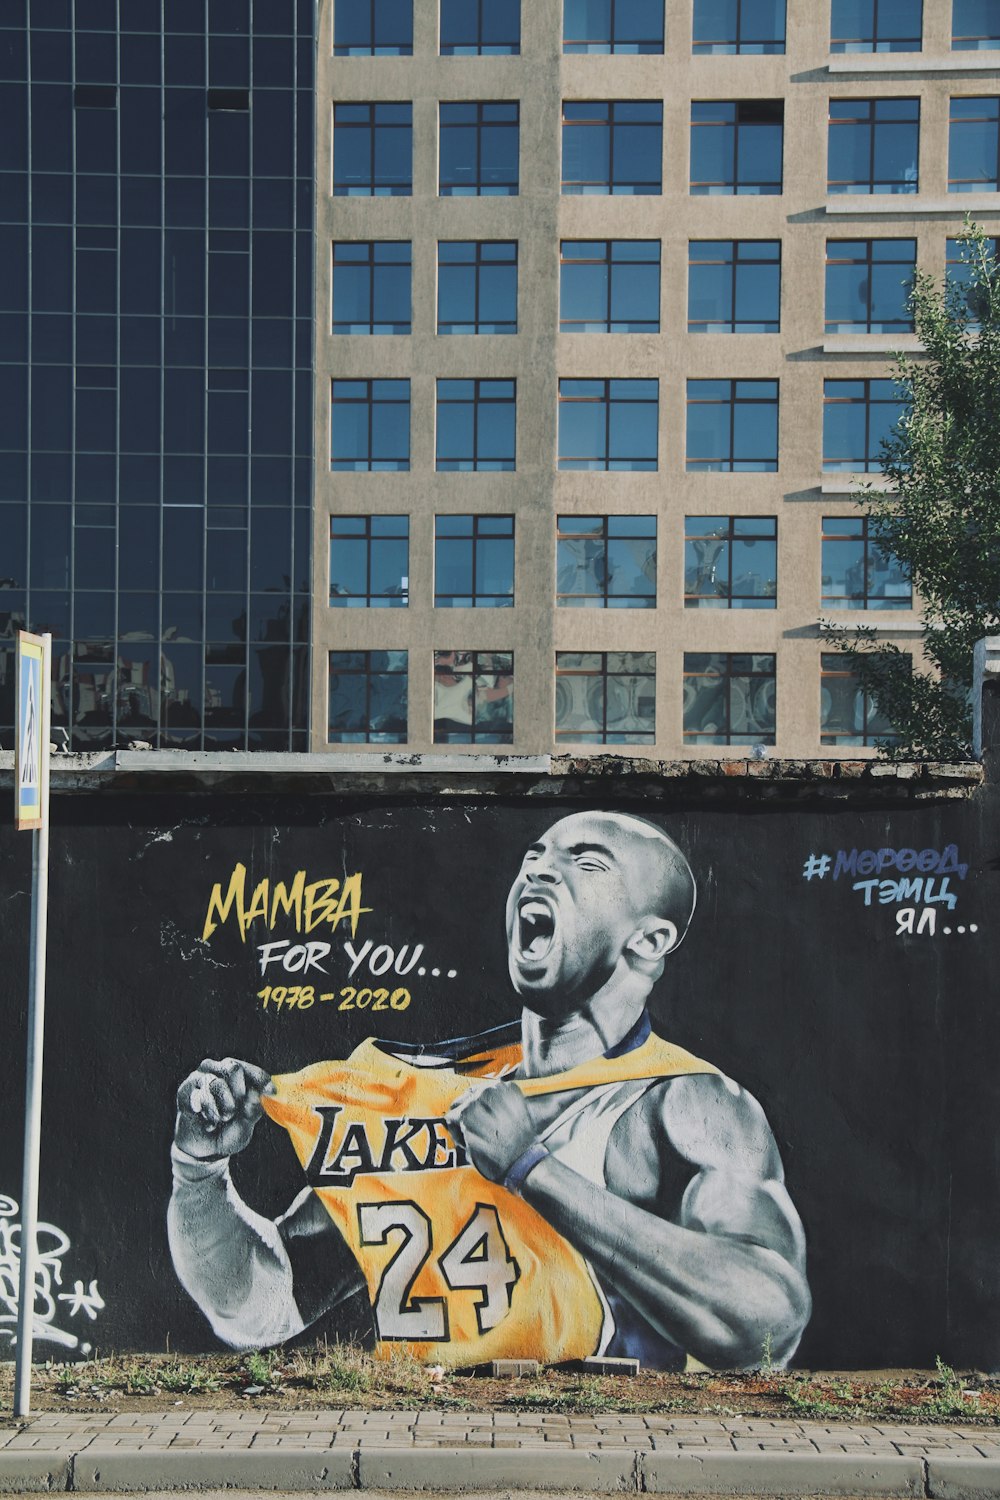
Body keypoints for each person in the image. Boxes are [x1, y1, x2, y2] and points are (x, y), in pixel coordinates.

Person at [168, 811, 810, 1369]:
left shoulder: (685, 1100)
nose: (540, 874)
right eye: (533, 860)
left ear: (649, 937)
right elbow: (259, 1309)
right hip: (424, 1450)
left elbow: (766, 1328)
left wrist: (533, 1169)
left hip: (604, 1458)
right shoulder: (431, 1093)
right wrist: (199, 1170)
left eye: (586, 864)